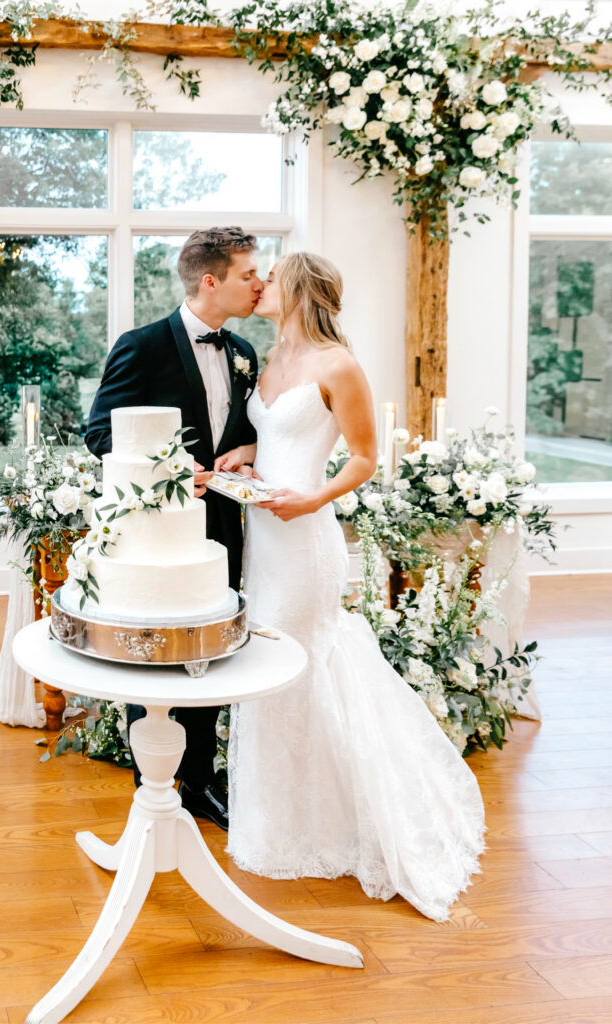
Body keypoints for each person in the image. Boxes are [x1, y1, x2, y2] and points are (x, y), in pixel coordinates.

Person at [215, 252, 485, 921]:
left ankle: (325, 822)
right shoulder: (271, 358)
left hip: (305, 538)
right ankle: (273, 814)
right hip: (265, 534)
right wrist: (248, 455)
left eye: (269, 277)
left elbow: (362, 456)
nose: (259, 285)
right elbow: (276, 432)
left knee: (299, 663)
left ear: (299, 289)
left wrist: (310, 499)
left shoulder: (339, 364)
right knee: (266, 661)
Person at [85, 226, 262, 830]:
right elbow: (99, 433)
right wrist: (167, 468)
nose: (258, 283)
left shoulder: (244, 352)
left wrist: (249, 450)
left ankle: (203, 779)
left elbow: (235, 435)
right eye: (248, 274)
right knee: (157, 653)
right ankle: (154, 789)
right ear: (210, 281)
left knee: (211, 648)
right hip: (160, 533)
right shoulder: (143, 345)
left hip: (223, 529)